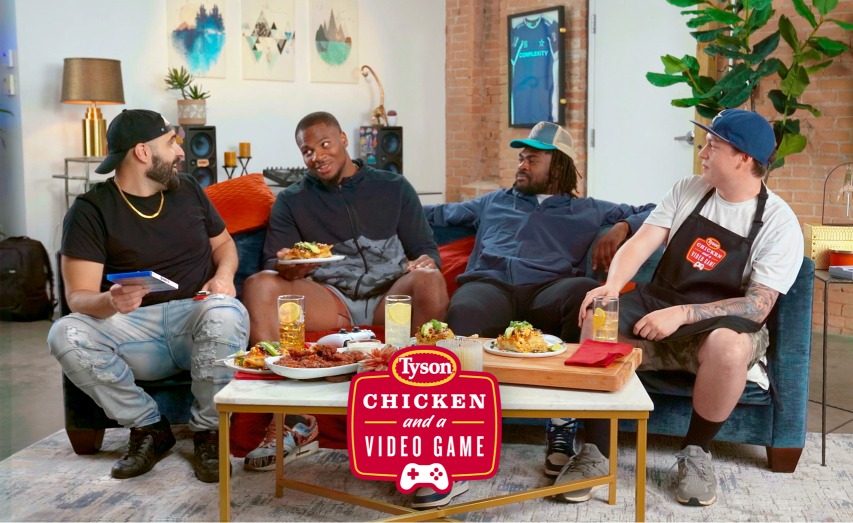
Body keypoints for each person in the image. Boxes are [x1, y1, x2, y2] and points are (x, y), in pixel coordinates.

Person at [563, 109, 804, 507]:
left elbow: (758, 306)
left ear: (744, 158)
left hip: (721, 324)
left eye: (714, 145)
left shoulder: (779, 223)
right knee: (599, 318)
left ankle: (695, 452)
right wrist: (608, 287)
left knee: (730, 346)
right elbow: (641, 243)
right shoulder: (689, 189)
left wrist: (683, 315)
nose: (703, 152)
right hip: (658, 303)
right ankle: (594, 451)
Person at [424, 121, 655, 505]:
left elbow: (656, 211)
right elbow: (435, 216)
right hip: (491, 286)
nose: (522, 163)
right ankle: (454, 439)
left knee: (588, 297)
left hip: (551, 289)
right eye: (521, 156)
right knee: (461, 314)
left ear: (559, 165)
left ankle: (567, 428)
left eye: (532, 157)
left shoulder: (589, 209)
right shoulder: (493, 201)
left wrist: (623, 225)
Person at [239, 111, 448, 481]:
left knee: (431, 280)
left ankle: (414, 412)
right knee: (258, 283)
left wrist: (423, 262)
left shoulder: (393, 186)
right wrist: (291, 266)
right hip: (330, 297)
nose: (317, 156)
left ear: (342, 140)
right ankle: (293, 421)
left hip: (390, 295)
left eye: (324, 144)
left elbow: (425, 248)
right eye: (307, 151)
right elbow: (274, 259)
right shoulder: (292, 199)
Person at [47, 109, 249, 483]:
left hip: (197, 318)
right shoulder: (91, 210)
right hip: (133, 331)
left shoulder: (187, 189)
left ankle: (209, 432)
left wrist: (224, 277)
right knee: (65, 332)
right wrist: (110, 301)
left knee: (227, 311)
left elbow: (225, 246)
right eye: (171, 142)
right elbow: (79, 296)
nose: (180, 152)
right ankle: (150, 429)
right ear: (142, 152)